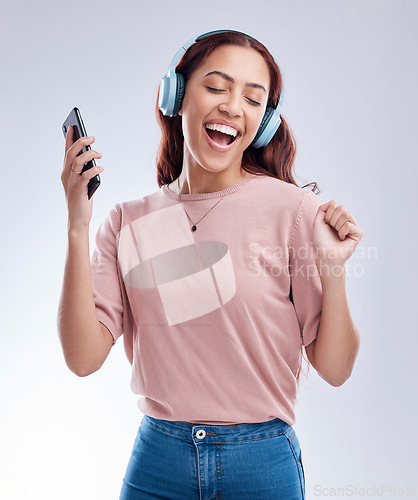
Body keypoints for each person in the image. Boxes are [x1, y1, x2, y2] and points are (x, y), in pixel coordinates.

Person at [58, 29, 362, 500]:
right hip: (158, 461)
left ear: (263, 121)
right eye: (216, 87)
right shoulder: (127, 221)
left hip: (261, 465)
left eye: (252, 98)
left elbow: (336, 368)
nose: (232, 106)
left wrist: (333, 269)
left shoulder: (294, 212)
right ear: (176, 95)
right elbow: (82, 358)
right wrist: (79, 225)